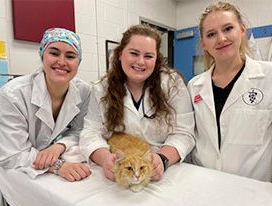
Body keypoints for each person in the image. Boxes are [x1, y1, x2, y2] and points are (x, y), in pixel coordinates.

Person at [0, 28, 92, 206]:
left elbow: (80, 129)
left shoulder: (84, 91)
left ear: (78, 62)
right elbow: (13, 153)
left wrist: (58, 146)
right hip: (7, 162)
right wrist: (58, 165)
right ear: (42, 55)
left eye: (70, 56)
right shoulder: (13, 94)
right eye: (54, 53)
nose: (61, 61)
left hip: (42, 157)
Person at [187, 1, 272, 198]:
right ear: (204, 44)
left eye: (228, 28)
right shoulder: (194, 86)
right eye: (211, 34)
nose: (221, 38)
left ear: (242, 30)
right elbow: (190, 136)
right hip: (204, 187)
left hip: (253, 191)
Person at [80, 24, 195, 182]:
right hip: (122, 170)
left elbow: (184, 132)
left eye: (148, 56)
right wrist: (105, 158)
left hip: (167, 171)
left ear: (156, 59)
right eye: (134, 53)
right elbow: (90, 132)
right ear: (120, 54)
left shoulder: (172, 85)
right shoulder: (102, 89)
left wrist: (163, 159)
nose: (140, 62)